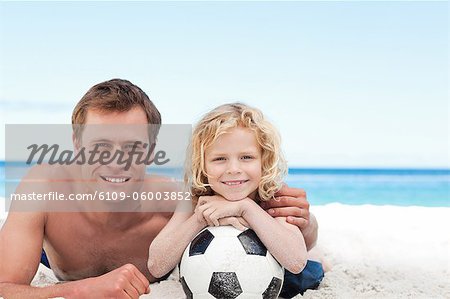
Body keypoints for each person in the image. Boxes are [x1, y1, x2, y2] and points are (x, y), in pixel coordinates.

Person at [0, 79, 319, 299]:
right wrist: (78, 290)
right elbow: (5, 287)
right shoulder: (43, 191)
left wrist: (305, 222)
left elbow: (285, 236)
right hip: (57, 251)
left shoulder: (180, 199)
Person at [148, 103, 324, 297]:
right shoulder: (195, 198)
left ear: (264, 161)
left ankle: (322, 259)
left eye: (246, 157)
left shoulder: (270, 195)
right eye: (220, 159)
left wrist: (245, 208)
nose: (233, 169)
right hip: (207, 275)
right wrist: (199, 219)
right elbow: (156, 265)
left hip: (274, 277)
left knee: (312, 271)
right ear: (202, 164)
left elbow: (296, 261)